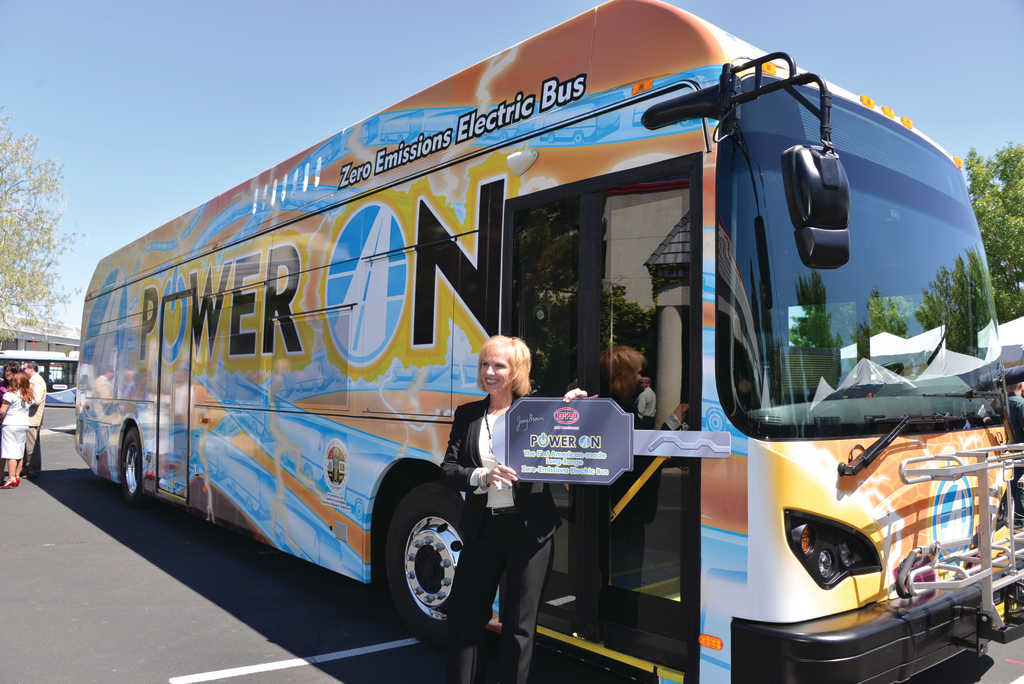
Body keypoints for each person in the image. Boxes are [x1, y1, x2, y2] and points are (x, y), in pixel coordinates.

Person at [441, 335, 560, 684]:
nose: (489, 371)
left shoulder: (537, 411)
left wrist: (578, 407)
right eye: (485, 364)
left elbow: (571, 423)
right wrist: (482, 475)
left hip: (529, 532)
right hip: (482, 530)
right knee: (464, 617)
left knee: (520, 628)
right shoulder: (468, 414)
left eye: (499, 365)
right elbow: (448, 470)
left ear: (517, 370)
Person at [1, 371, 36, 489]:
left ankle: (10, 478)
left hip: (10, 424)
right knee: (19, 451)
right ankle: (16, 476)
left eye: (12, 380)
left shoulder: (10, 395)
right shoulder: (28, 396)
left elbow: (2, 411)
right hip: (24, 424)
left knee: (9, 451)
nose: (10, 381)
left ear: (16, 382)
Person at [1005, 365, 1024, 528]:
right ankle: (1019, 522)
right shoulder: (1020, 403)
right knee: (1022, 485)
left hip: (1006, 451)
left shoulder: (1000, 404)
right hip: (1021, 451)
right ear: (1021, 385)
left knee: (1010, 483)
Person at [22, 362, 46, 479]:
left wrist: (22, 400)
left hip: (33, 418)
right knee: (27, 446)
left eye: (24, 369)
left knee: (32, 446)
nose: (23, 371)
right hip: (29, 418)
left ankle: (33, 470)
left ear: (31, 369)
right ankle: (26, 468)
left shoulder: (37, 381)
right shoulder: (33, 380)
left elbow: (35, 400)